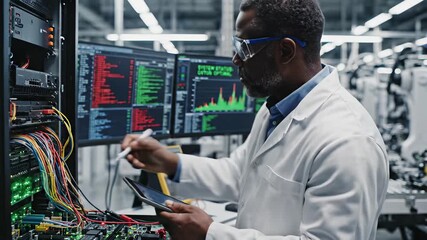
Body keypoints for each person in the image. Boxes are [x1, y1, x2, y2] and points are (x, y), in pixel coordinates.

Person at [122, 0, 389, 239]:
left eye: (244, 47)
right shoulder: (275, 107)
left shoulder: (348, 142)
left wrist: (212, 234)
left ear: (285, 51)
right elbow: (241, 174)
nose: (236, 60)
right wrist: (169, 162)